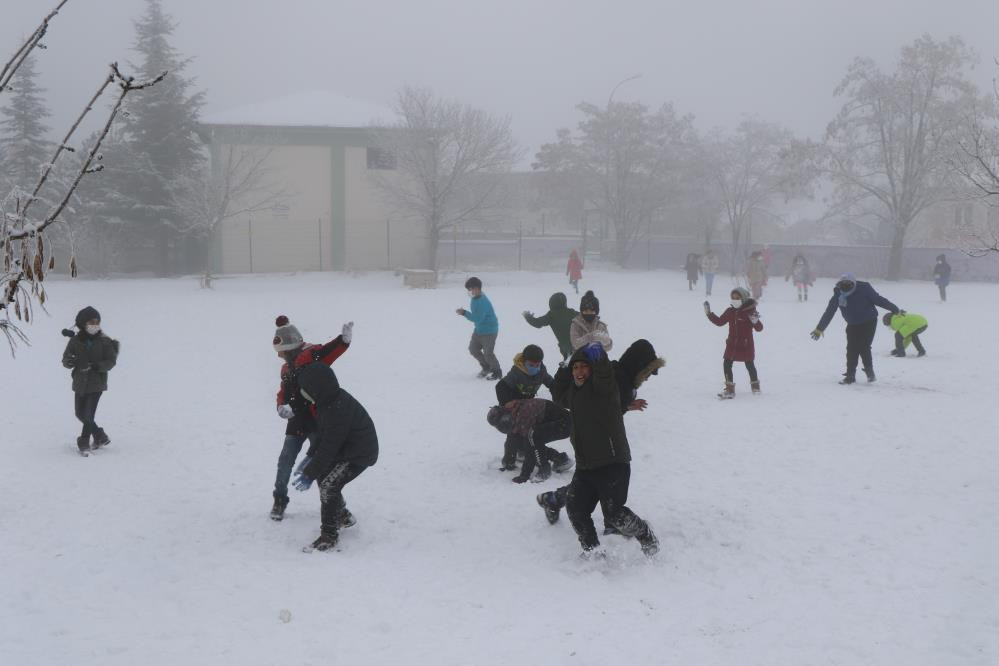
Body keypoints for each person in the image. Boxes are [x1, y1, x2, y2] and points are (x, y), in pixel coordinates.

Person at [535, 343, 659, 557]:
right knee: (575, 509)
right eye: (576, 368)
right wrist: (565, 366)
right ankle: (592, 552)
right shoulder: (573, 394)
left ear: (592, 368)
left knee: (614, 514)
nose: (579, 371)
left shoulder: (604, 387)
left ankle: (645, 534)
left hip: (612, 462)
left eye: (584, 367)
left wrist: (598, 355)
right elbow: (558, 393)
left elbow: (604, 374)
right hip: (586, 464)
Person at [270, 315, 352, 521]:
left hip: (318, 421)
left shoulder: (312, 355)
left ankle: (339, 509)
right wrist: (281, 406)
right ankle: (279, 499)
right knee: (285, 461)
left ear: (289, 347)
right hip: (296, 422)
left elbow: (329, 350)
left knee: (322, 465)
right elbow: (283, 392)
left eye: (281, 351)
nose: (278, 355)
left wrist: (342, 341)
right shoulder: (286, 368)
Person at [291, 361, 378, 552]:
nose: (303, 393)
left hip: (359, 453)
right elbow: (323, 436)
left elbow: (329, 446)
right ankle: (342, 516)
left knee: (328, 486)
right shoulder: (327, 402)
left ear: (316, 388)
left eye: (305, 389)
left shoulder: (337, 409)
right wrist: (310, 457)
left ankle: (329, 536)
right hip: (346, 449)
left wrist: (310, 472)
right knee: (324, 476)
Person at [810, 273, 900, 385]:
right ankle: (850, 376)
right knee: (851, 348)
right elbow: (829, 312)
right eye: (843, 284)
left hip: (869, 321)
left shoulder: (864, 289)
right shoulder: (838, 294)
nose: (845, 286)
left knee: (864, 346)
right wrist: (819, 329)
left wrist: (895, 309)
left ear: (853, 283)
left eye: (848, 284)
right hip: (852, 324)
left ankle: (869, 372)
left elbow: (879, 300)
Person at [61, 306, 119, 456]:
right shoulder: (75, 341)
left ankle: (84, 442)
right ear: (83, 323)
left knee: (88, 415)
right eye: (91, 322)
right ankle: (100, 436)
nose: (94, 325)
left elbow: (111, 361)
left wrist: (97, 366)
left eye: (97, 322)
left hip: (97, 383)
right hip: (80, 382)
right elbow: (66, 359)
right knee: (79, 414)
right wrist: (70, 361)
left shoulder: (105, 341)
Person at [487, 398, 573, 483]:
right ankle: (560, 459)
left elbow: (530, 446)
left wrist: (524, 475)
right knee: (524, 439)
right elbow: (512, 437)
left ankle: (544, 469)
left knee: (532, 437)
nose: (502, 426)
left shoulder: (523, 414)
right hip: (555, 421)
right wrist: (508, 461)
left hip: (566, 424)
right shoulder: (512, 411)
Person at [704, 288, 763, 399]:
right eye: (733, 298)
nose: (735, 300)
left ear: (743, 298)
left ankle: (755, 387)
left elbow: (759, 328)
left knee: (749, 365)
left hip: (746, 345)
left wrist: (756, 321)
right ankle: (729, 389)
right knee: (727, 364)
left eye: (737, 298)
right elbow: (720, 322)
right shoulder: (730, 311)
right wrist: (709, 313)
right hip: (732, 344)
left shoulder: (750, 312)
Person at [457, 276, 501, 379]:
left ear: (477, 288)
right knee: (473, 349)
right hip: (479, 330)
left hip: (489, 331)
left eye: (471, 289)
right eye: (469, 290)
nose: (470, 291)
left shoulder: (483, 301)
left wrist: (464, 313)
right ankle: (486, 367)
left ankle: (497, 372)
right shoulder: (475, 298)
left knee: (488, 354)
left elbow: (477, 319)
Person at [522, 292, 578, 361]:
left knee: (571, 365)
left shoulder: (552, 315)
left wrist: (528, 317)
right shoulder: (572, 312)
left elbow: (537, 323)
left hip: (568, 350)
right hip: (582, 346)